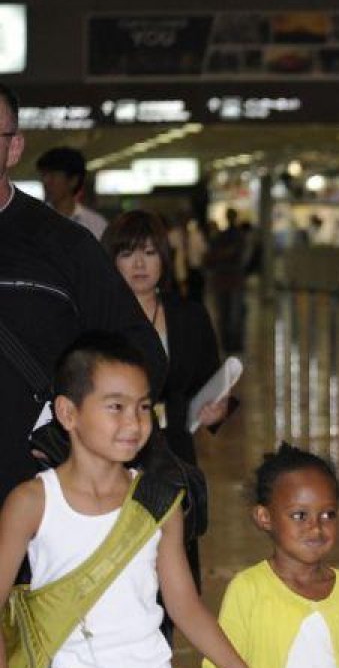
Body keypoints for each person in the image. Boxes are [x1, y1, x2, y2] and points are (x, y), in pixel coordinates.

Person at [0, 332, 246, 668]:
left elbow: (185, 607)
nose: (134, 422)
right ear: (68, 413)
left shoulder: (157, 500)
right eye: (116, 407)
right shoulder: (33, 504)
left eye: (143, 407)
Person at [0, 82, 166, 508]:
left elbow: (140, 352)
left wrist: (85, 426)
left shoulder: (63, 244)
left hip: (40, 491)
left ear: (14, 148)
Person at [102, 210, 230, 587]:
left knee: (177, 565)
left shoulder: (189, 315)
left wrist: (219, 409)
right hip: (114, 454)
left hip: (175, 453)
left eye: (149, 252)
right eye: (127, 254)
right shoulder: (97, 319)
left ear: (164, 258)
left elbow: (211, 379)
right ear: (111, 261)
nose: (139, 264)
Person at [206, 443, 339, 668]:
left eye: (328, 514)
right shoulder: (248, 590)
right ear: (264, 517)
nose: (316, 528)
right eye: (300, 515)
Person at [35, 146, 107, 240]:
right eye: (43, 175)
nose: (45, 181)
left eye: (53, 176)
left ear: (73, 181)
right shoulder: (35, 221)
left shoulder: (96, 225)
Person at [206, 210, 248, 353]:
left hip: (231, 279)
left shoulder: (234, 236)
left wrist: (222, 254)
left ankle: (232, 344)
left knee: (232, 314)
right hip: (226, 279)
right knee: (227, 314)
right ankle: (229, 344)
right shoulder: (225, 236)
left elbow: (227, 254)